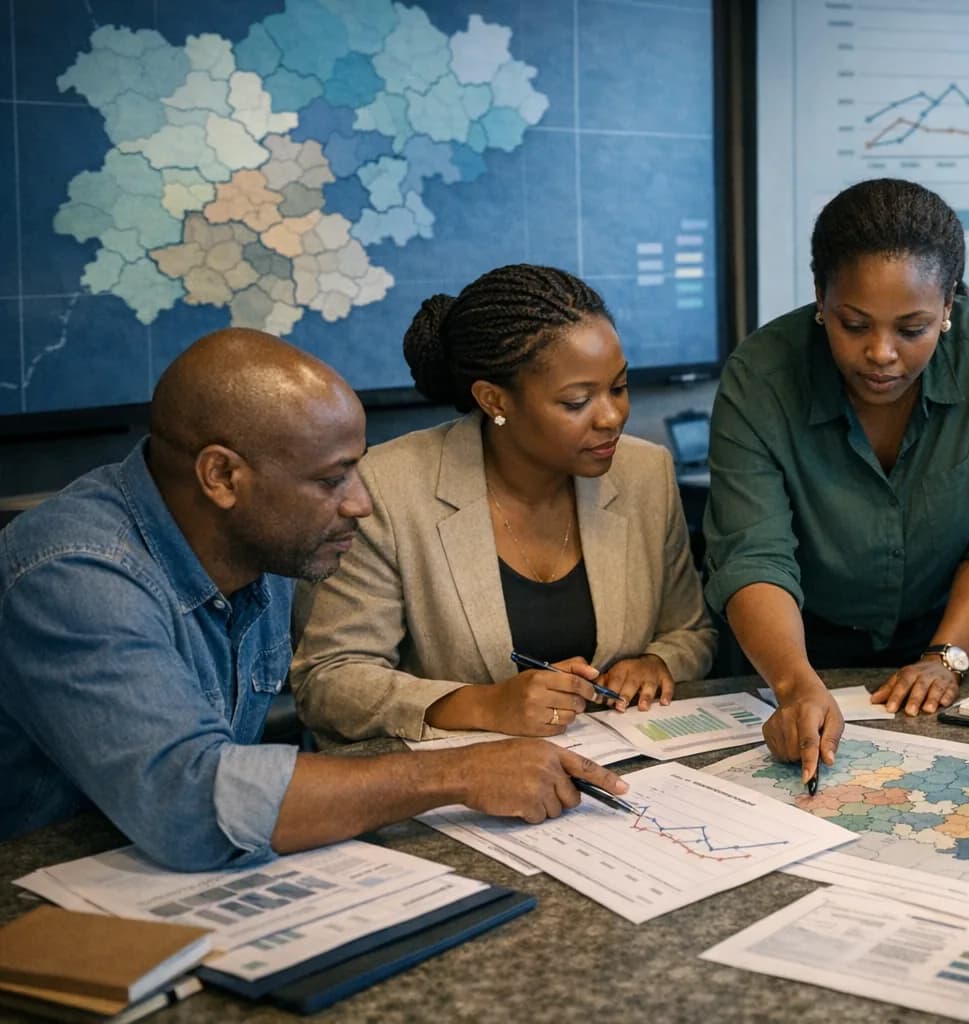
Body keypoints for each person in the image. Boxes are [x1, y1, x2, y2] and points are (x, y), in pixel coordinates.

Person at [0, 329, 628, 870]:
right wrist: (460, 773)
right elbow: (188, 799)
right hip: (47, 895)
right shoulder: (75, 574)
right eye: (331, 480)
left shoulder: (262, 537)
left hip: (182, 876)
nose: (359, 502)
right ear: (222, 477)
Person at [704, 178, 969, 782]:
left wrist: (946, 656)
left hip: (962, 633)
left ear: (948, 307)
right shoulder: (761, 375)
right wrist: (794, 683)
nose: (881, 353)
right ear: (820, 297)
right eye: (854, 325)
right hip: (808, 642)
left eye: (911, 329)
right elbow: (752, 555)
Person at [291, 264, 715, 745]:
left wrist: (657, 663)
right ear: (494, 400)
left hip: (615, 775)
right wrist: (484, 704)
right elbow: (329, 678)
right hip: (452, 792)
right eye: (577, 402)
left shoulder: (646, 473)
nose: (613, 417)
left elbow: (692, 631)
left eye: (618, 387)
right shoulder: (387, 489)